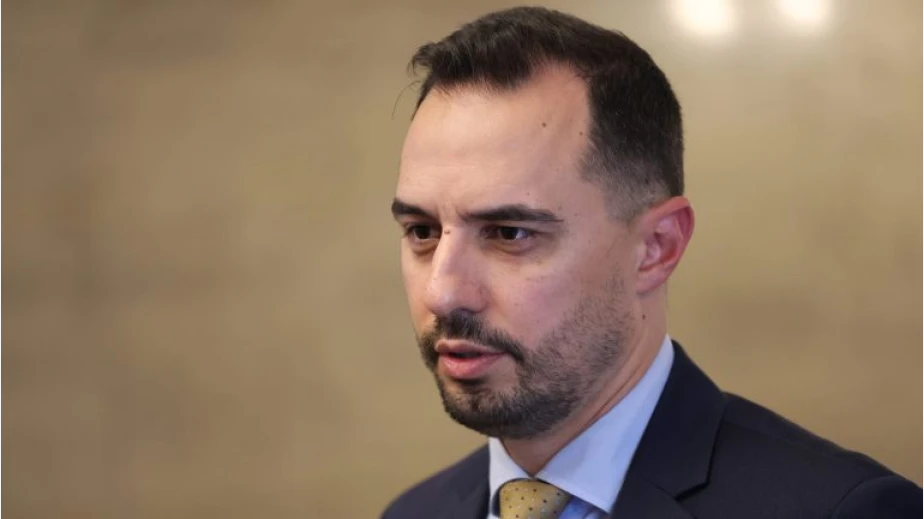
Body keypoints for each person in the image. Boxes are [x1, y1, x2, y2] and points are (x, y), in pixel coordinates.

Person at [382, 6, 923, 519]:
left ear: (657, 247)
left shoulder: (841, 510)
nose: (442, 293)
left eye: (510, 233)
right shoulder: (415, 512)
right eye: (422, 231)